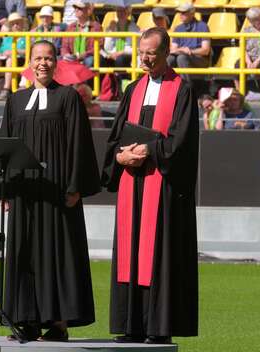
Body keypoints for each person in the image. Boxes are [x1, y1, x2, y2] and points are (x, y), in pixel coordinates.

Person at [101, 27, 198, 344]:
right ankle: (132, 325)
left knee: (158, 254)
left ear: (166, 51)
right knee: (131, 250)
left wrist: (149, 151)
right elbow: (116, 134)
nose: (144, 57)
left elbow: (181, 141)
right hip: (133, 183)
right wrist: (120, 155)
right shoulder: (132, 88)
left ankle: (158, 327)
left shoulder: (181, 90)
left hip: (162, 186)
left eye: (151, 52)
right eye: (142, 51)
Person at [0, 40, 100, 341]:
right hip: (24, 192)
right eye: (37, 58)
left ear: (56, 63)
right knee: (25, 253)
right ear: (29, 63)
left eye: (48, 58)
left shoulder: (68, 97)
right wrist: (5, 189)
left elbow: (79, 143)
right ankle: (27, 319)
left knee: (56, 254)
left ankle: (58, 324)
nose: (43, 63)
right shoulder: (15, 100)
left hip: (57, 191)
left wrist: (75, 186)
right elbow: (5, 145)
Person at [0, 13, 26, 101]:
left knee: (10, 60)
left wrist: (14, 51)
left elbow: (28, 51)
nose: (15, 25)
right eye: (13, 24)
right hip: (6, 58)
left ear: (22, 24)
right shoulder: (8, 37)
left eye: (18, 23)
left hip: (21, 59)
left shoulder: (26, 36)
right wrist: (3, 53)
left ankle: (6, 89)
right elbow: (2, 50)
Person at [167, 3, 210, 82]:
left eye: (183, 12)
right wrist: (183, 50)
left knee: (181, 58)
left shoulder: (203, 26)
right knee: (169, 58)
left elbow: (205, 50)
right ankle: (164, 84)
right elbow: (173, 49)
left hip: (199, 59)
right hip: (183, 55)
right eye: (180, 12)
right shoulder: (178, 28)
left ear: (192, 13)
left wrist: (189, 51)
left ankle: (185, 87)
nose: (181, 15)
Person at [60, 0, 103, 69]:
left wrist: (82, 55)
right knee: (58, 60)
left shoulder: (96, 27)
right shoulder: (71, 27)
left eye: (79, 8)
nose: (76, 10)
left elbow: (98, 47)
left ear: (88, 11)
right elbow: (64, 46)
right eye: (75, 8)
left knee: (90, 61)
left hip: (87, 57)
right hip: (73, 57)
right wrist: (66, 55)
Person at [102, 6, 140, 76]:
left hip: (128, 56)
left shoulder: (135, 28)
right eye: (119, 11)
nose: (121, 13)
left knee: (120, 59)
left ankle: (120, 82)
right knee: (100, 60)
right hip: (113, 56)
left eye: (124, 11)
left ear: (128, 13)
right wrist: (111, 31)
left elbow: (137, 49)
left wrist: (121, 52)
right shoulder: (111, 27)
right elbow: (107, 48)